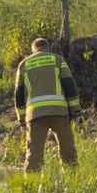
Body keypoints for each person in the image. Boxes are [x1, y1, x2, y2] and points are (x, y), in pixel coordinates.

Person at [14, 38, 81, 172]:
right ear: (48, 49)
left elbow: (18, 95)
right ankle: (72, 182)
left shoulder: (23, 64)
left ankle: (31, 187)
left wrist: (22, 121)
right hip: (59, 113)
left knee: (34, 156)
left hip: (35, 115)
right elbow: (70, 86)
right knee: (68, 152)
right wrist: (76, 113)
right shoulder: (58, 60)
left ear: (33, 51)